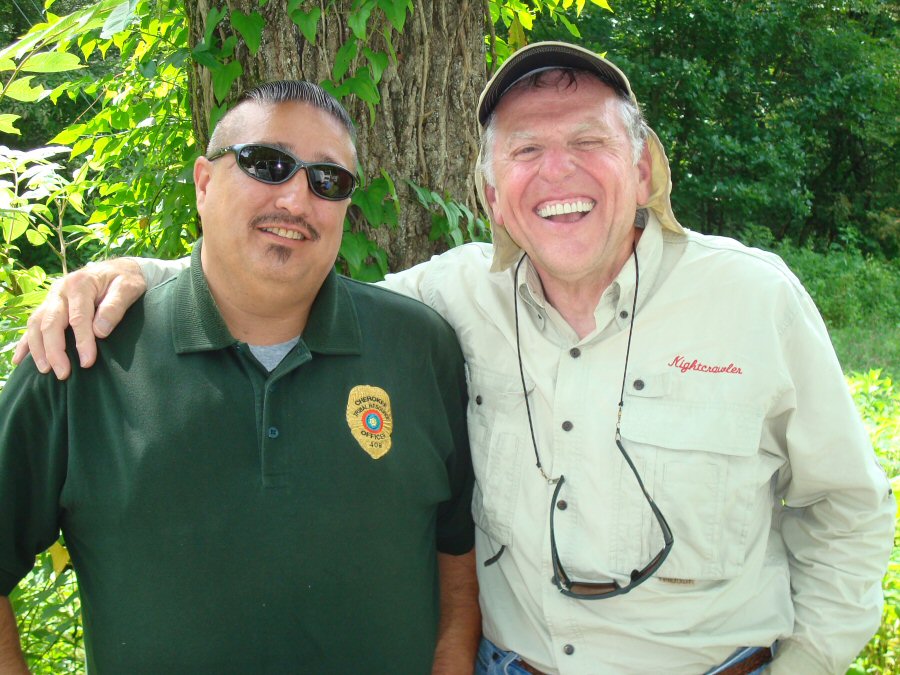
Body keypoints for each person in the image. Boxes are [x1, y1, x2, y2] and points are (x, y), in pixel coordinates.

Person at [12, 42, 896, 674]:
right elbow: (276, 271)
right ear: (490, 192)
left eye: (587, 141)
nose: (559, 173)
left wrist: (806, 662)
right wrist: (135, 276)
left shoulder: (755, 298)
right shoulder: (448, 301)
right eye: (525, 151)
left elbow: (848, 512)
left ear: (644, 163)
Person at [0, 81, 480, 674]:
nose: (297, 201)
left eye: (327, 180)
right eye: (268, 164)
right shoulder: (84, 352)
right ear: (204, 182)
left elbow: (456, 548)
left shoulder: (418, 346)